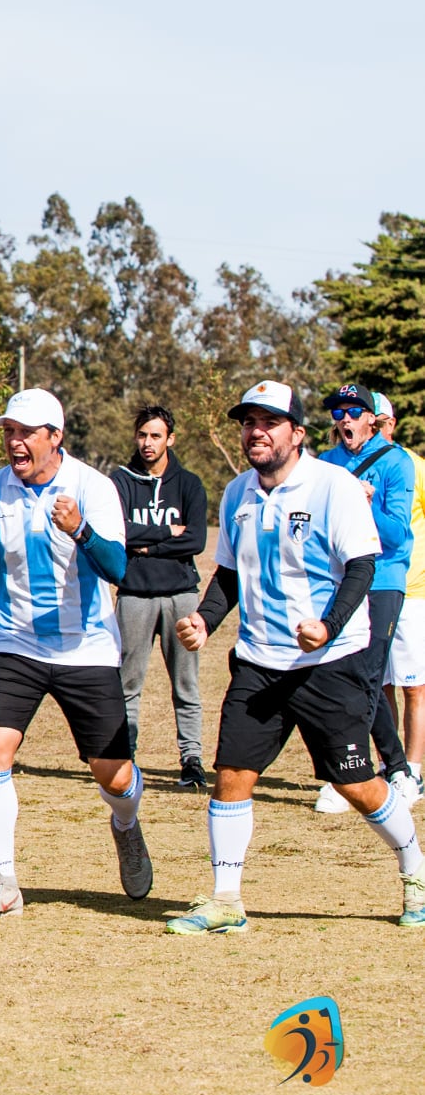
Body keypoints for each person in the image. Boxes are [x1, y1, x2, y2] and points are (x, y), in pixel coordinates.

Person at [168, 380, 424, 932]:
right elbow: (230, 574)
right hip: (259, 662)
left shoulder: (333, 485)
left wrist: (327, 627)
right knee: (232, 774)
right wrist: (205, 621)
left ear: (298, 433)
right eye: (247, 422)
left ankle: (415, 868)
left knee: (357, 784)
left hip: (330, 664)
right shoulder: (237, 493)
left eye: (268, 423)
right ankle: (226, 900)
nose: (255, 432)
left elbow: (361, 566)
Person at [0, 387, 149, 920]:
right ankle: (3, 884)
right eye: (9, 432)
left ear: (56, 437)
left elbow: (120, 571)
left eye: (25, 433)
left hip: (86, 647)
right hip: (13, 643)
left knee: (113, 775)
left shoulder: (92, 487)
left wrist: (81, 531)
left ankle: (126, 824)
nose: (15, 442)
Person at [313, 384, 415, 814]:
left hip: (384, 580)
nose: (345, 419)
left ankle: (357, 772)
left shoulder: (396, 463)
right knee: (344, 674)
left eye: (354, 411)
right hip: (340, 581)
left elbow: (397, 536)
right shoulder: (325, 464)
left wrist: (365, 503)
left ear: (373, 418)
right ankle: (395, 767)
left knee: (369, 675)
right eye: (339, 412)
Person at [111, 405, 209, 789]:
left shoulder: (189, 483)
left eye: (156, 436)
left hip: (181, 595)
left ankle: (192, 760)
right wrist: (169, 532)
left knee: (186, 684)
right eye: (142, 435)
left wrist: (146, 543)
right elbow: (118, 532)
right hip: (134, 593)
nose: (148, 443)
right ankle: (125, 757)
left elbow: (197, 539)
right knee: (127, 681)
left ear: (170, 438)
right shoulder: (119, 482)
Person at [376, 393, 425, 803]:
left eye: (381, 421)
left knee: (414, 687)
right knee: (378, 685)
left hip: (413, 590)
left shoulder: (413, 466)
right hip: (364, 588)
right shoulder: (342, 463)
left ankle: (414, 770)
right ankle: (387, 765)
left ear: (392, 423)